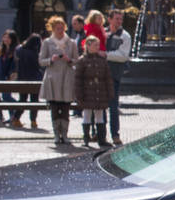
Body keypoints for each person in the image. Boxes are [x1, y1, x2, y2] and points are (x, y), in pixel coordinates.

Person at [38, 15, 79, 146]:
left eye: (62, 28)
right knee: (55, 108)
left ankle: (65, 134)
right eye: (57, 29)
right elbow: (41, 61)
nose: (60, 31)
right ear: (53, 29)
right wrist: (51, 59)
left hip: (66, 78)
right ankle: (56, 134)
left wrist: (69, 60)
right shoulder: (47, 43)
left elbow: (76, 60)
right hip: (53, 78)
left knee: (66, 108)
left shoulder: (71, 43)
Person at [75, 34, 114, 148]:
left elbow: (108, 78)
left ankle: (101, 139)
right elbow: (78, 80)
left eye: (98, 45)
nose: (97, 47)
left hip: (100, 92)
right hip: (88, 92)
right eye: (95, 45)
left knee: (100, 115)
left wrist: (110, 93)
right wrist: (79, 94)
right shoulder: (82, 61)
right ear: (88, 46)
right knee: (87, 115)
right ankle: (86, 138)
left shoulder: (102, 60)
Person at [105, 13, 132, 145]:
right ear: (109, 19)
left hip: (114, 75)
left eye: (121, 19)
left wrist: (105, 55)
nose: (119, 21)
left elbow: (123, 56)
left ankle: (115, 134)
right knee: (98, 106)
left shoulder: (125, 35)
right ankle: (99, 133)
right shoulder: (103, 32)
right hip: (100, 74)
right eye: (117, 18)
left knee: (113, 106)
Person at [13, 30, 43, 128]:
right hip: (34, 79)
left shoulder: (19, 50)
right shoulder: (35, 53)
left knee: (22, 100)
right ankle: (33, 121)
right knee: (34, 101)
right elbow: (39, 66)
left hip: (22, 78)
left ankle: (16, 118)